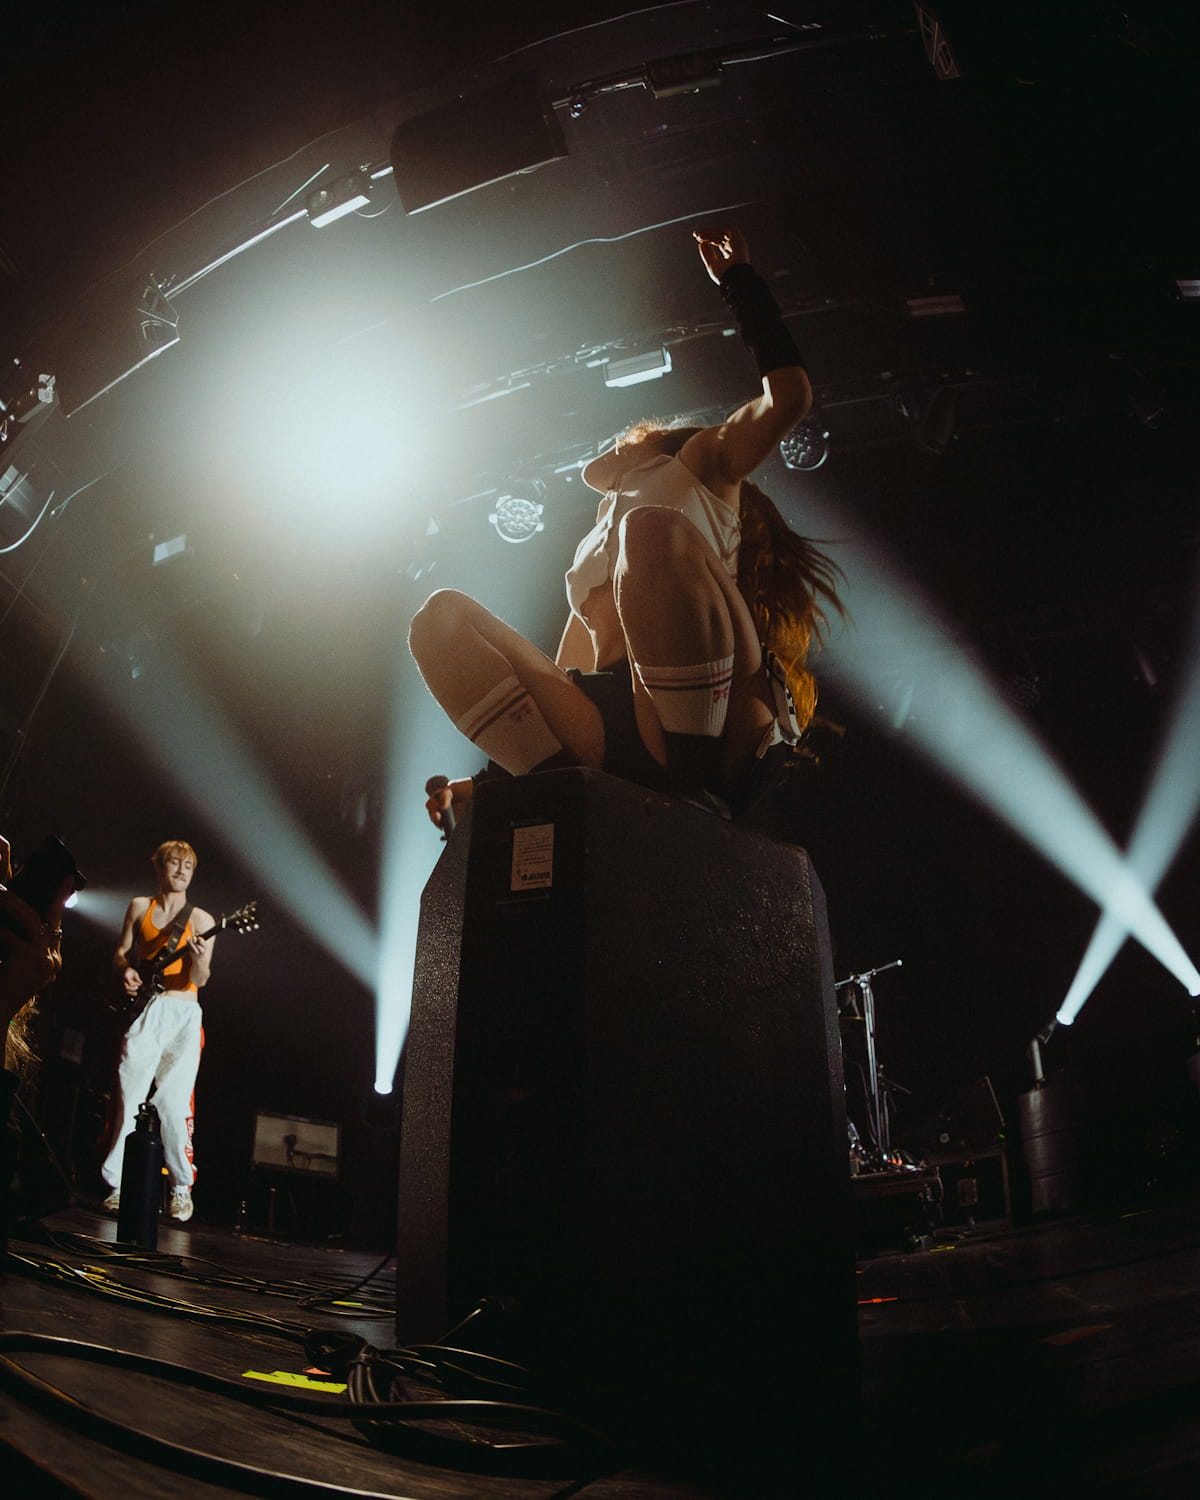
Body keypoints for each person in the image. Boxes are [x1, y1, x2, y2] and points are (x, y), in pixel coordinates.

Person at [410, 224, 842, 827]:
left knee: (648, 531)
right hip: (613, 725)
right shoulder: (596, 541)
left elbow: (788, 397)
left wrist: (739, 281)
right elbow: (566, 673)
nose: (614, 441)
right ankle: (560, 787)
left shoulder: (695, 464)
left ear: (649, 441)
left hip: (710, 712)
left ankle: (690, 790)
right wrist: (481, 786)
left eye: (627, 435)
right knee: (440, 617)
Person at [100, 840, 214, 1223]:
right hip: (148, 1009)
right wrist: (126, 970)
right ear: (159, 867)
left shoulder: (202, 920)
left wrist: (198, 959)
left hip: (184, 1012)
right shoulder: (139, 907)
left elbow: (202, 978)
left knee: (174, 1103)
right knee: (128, 1091)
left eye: (188, 866)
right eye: (174, 863)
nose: (181, 871)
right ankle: (117, 1185)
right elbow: (120, 952)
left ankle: (181, 1188)